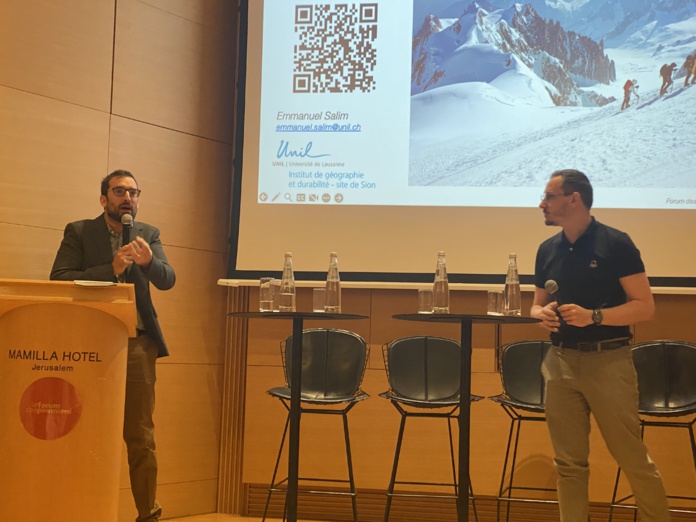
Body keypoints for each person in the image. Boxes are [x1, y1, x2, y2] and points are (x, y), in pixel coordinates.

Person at [531, 169, 671, 522]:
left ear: (573, 198)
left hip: (608, 361)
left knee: (631, 458)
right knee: (568, 463)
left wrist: (594, 316)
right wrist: (541, 313)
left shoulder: (616, 243)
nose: (541, 204)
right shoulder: (547, 248)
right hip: (559, 361)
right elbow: (535, 304)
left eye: (549, 197)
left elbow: (645, 306)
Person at [50, 169, 176, 522]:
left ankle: (148, 514)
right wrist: (111, 268)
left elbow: (168, 279)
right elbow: (58, 278)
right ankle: (80, 509)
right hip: (89, 343)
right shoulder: (79, 231)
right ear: (103, 199)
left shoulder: (147, 234)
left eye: (133, 192)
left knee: (140, 435)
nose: (128, 198)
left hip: (137, 344)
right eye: (119, 191)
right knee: (84, 428)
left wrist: (148, 261)